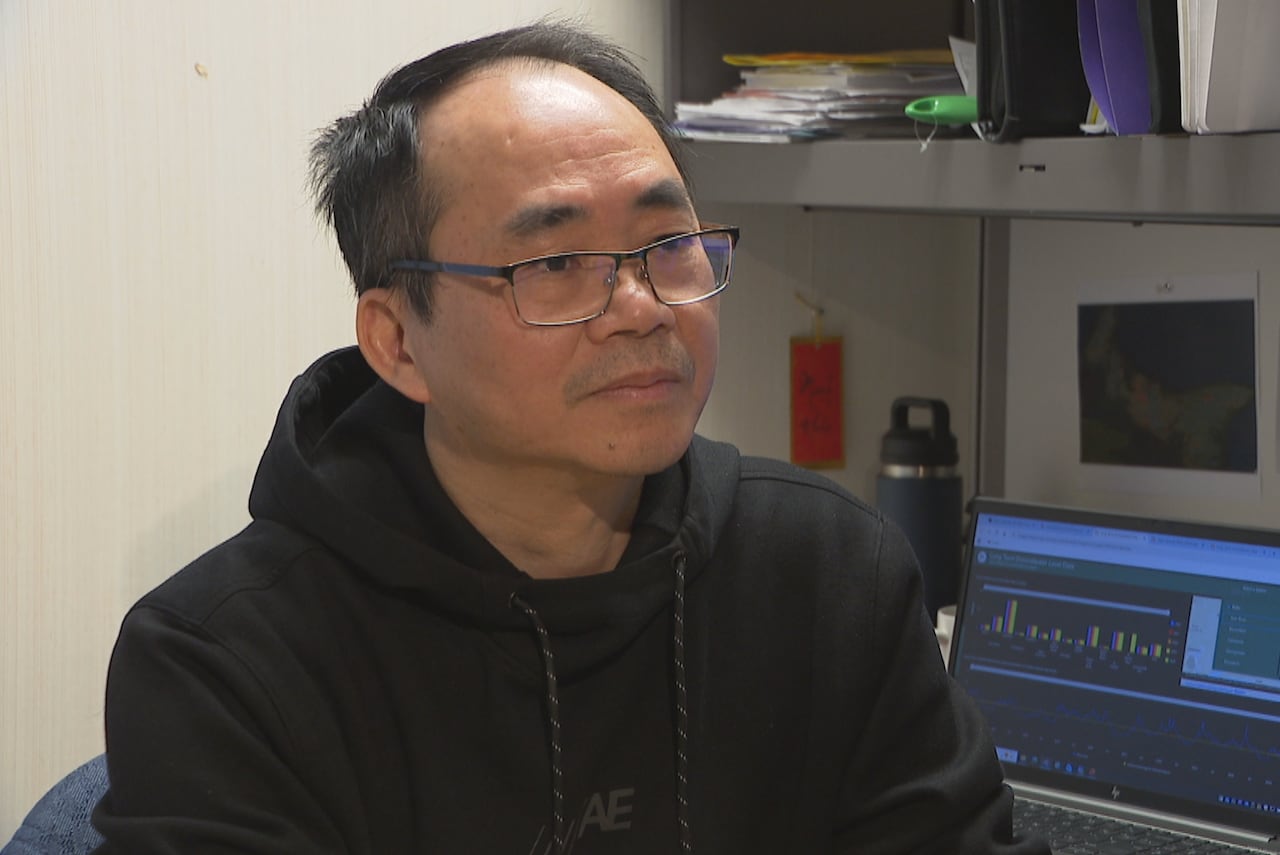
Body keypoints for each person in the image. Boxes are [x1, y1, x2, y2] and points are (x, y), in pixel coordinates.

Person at [90, 20, 1049, 855]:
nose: (639, 307)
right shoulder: (223, 663)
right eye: (553, 261)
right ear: (397, 342)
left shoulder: (829, 570)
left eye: (668, 244)